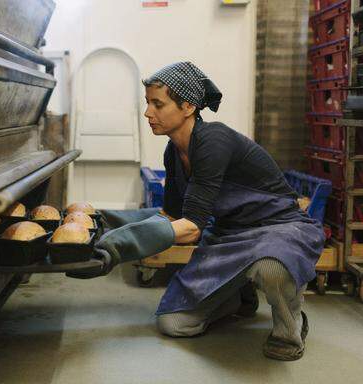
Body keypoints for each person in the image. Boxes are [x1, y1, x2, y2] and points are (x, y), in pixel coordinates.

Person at [67, 62, 325, 361]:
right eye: (148, 103)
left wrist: (115, 249)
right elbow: (172, 217)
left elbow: (191, 228)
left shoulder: (214, 140)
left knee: (270, 266)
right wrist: (98, 225)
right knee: (173, 323)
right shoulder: (173, 152)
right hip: (229, 235)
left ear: (188, 106)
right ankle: (240, 298)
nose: (148, 113)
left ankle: (289, 331)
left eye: (158, 104)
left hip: (279, 229)